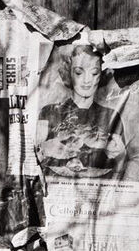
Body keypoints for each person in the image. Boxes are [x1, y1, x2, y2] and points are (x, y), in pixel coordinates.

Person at [37, 44, 127, 178]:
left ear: (101, 75)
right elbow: (35, 158)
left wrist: (119, 154)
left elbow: (122, 166)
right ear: (68, 73)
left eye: (94, 73)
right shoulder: (48, 112)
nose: (87, 80)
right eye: (79, 72)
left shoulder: (111, 115)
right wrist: (45, 149)